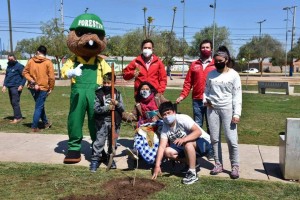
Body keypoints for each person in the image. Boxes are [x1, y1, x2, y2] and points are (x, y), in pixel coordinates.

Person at [61, 13, 111, 164]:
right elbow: (64, 73)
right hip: (78, 94)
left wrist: (111, 80)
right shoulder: (73, 60)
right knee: (75, 120)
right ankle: (74, 148)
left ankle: (98, 147)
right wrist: (71, 72)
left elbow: (109, 76)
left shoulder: (100, 61)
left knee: (96, 120)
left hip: (95, 94)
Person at [204, 46, 242, 179]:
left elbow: (237, 95)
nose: (217, 62)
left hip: (228, 110)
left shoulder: (234, 75)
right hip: (212, 109)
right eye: (216, 60)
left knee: (232, 139)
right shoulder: (211, 74)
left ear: (226, 60)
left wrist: (236, 113)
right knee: (214, 139)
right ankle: (218, 164)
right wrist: (205, 100)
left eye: (220, 60)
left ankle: (235, 167)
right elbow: (206, 90)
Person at [152, 101, 211, 185]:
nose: (167, 116)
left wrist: (184, 139)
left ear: (174, 112)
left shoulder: (183, 118)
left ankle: (192, 173)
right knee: (167, 151)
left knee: (187, 143)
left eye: (169, 113)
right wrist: (157, 166)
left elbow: (198, 132)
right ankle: (192, 163)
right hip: (187, 147)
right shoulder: (165, 126)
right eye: (164, 114)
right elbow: (161, 146)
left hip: (203, 143)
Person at [123, 81, 168, 165]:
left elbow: (168, 107)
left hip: (159, 123)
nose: (145, 91)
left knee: (153, 135)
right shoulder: (138, 103)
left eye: (147, 89)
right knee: (140, 133)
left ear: (151, 90)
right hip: (145, 125)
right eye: (142, 89)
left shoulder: (158, 97)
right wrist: (122, 113)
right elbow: (134, 116)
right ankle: (136, 151)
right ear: (139, 91)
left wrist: (158, 116)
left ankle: (154, 157)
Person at [176, 39, 215, 131]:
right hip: (197, 100)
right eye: (203, 47)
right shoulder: (194, 64)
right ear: (200, 49)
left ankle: (212, 145)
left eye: (207, 47)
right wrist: (182, 96)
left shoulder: (215, 64)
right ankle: (198, 145)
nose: (205, 49)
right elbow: (188, 82)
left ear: (211, 50)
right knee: (197, 125)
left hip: (212, 100)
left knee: (212, 126)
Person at [90, 72, 125, 172]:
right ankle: (95, 160)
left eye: (108, 83)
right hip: (102, 122)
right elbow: (96, 109)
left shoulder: (117, 93)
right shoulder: (99, 93)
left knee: (112, 142)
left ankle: (110, 159)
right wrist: (107, 108)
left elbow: (123, 108)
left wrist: (117, 104)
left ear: (113, 83)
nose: (106, 85)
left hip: (115, 122)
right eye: (104, 82)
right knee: (99, 141)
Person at [23, 45, 55, 132]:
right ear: (45, 53)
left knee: (40, 105)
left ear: (38, 51)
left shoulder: (30, 61)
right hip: (43, 88)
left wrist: (31, 80)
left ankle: (45, 122)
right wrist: (51, 87)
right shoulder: (48, 62)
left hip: (32, 87)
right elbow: (52, 77)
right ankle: (34, 127)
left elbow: (25, 72)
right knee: (39, 107)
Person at [2, 54, 26, 124]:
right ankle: (19, 116)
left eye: (11, 59)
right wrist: (4, 85)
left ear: (15, 59)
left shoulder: (19, 66)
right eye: (9, 59)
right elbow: (7, 76)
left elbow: (25, 76)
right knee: (12, 102)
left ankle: (17, 118)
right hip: (10, 86)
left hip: (16, 87)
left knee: (15, 102)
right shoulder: (9, 66)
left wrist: (21, 85)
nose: (10, 61)